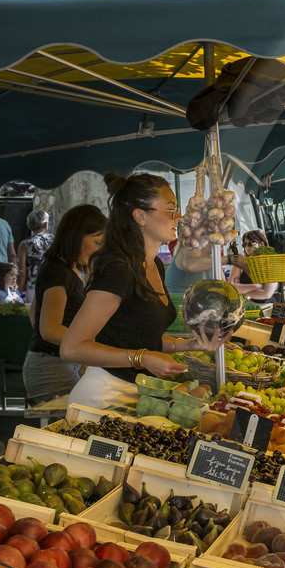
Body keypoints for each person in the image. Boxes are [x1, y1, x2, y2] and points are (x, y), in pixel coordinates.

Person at [61, 174, 204, 410]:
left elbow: (139, 336)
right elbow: (72, 347)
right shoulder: (119, 270)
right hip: (103, 397)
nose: (178, 217)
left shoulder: (155, 265)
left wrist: (189, 345)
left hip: (140, 395)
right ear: (140, 216)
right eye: (170, 210)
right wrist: (142, 358)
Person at [24, 204, 107, 403]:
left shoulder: (69, 268)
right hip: (52, 368)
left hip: (55, 363)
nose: (99, 250)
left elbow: (34, 314)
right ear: (77, 236)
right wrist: (89, 346)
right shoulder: (58, 271)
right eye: (97, 242)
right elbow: (49, 330)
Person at [229, 230, 279, 301]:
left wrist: (242, 291)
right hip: (243, 305)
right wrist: (256, 286)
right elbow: (231, 288)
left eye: (250, 244)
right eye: (244, 244)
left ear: (261, 244)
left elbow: (267, 294)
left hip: (265, 305)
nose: (247, 248)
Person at [18, 211, 53, 301]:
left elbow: (22, 273)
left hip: (33, 288)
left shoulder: (25, 244)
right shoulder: (55, 240)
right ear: (46, 224)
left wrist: (18, 293)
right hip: (52, 285)